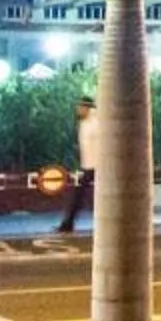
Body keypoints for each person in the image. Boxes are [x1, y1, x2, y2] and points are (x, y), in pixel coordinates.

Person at [56, 97, 100, 234]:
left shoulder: (97, 124)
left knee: (82, 195)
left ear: (88, 108)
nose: (78, 110)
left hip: (100, 166)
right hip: (88, 165)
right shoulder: (83, 123)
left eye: (80, 107)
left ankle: (67, 224)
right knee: (78, 195)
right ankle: (67, 224)